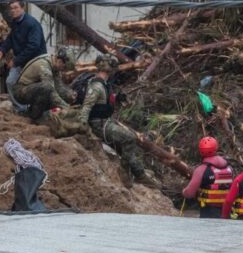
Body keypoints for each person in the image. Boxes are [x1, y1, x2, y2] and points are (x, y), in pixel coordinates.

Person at [74, 54, 159, 187]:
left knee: (130, 142)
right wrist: (84, 130)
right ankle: (124, 172)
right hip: (98, 124)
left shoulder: (104, 84)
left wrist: (117, 98)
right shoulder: (96, 86)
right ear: (108, 67)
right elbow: (86, 108)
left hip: (105, 121)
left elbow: (105, 102)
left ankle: (139, 173)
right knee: (129, 138)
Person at [0, 0, 47, 111]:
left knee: (32, 86)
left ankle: (34, 109)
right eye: (11, 8)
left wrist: (16, 60)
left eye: (16, 7)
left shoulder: (32, 24)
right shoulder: (16, 22)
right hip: (21, 60)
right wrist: (2, 50)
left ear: (23, 8)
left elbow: (34, 46)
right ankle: (20, 108)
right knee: (10, 81)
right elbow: (10, 39)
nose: (13, 10)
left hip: (35, 62)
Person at [11, 47, 75, 120]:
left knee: (59, 94)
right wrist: (66, 107)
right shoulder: (44, 65)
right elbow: (50, 90)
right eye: (64, 68)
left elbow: (59, 87)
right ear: (60, 61)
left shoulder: (55, 66)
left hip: (33, 89)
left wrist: (69, 95)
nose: (64, 70)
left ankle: (30, 113)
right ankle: (34, 118)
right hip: (20, 90)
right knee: (47, 89)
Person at [182, 136, 234, 218]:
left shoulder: (201, 169)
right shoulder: (229, 168)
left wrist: (184, 192)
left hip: (209, 211)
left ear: (200, 151)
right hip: (227, 211)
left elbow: (189, 193)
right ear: (216, 148)